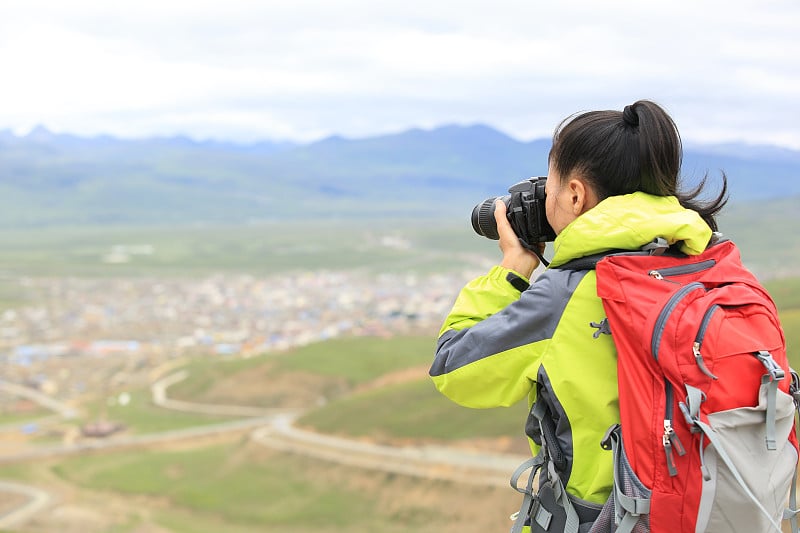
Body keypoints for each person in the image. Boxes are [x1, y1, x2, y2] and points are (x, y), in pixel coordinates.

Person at [429, 100, 727, 531]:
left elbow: (452, 368)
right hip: (711, 513)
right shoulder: (712, 265)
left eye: (548, 183)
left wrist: (512, 270)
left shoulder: (568, 294)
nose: (543, 195)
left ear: (574, 194)